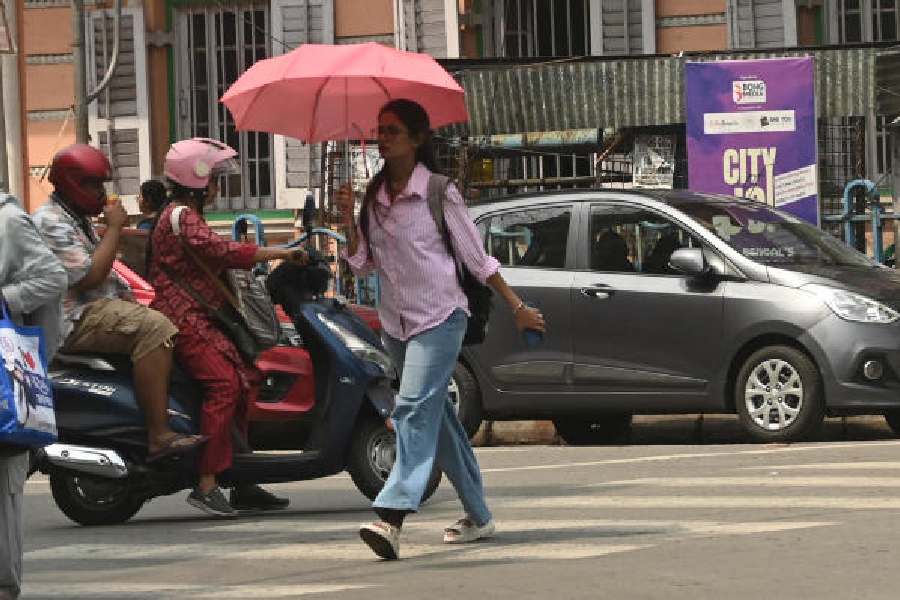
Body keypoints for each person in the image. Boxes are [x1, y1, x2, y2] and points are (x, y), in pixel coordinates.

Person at [337, 99, 545, 560]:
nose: (382, 137)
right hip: (396, 321)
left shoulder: (438, 192)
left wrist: (518, 307)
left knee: (412, 408)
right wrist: (348, 218)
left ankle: (391, 515)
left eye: (392, 130)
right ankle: (479, 513)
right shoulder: (375, 196)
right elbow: (365, 263)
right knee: (442, 421)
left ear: (416, 139)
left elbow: (477, 259)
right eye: (380, 129)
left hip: (441, 316)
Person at [147, 137, 308, 517]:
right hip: (185, 318)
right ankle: (206, 482)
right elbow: (223, 253)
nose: (220, 187)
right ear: (199, 180)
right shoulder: (181, 216)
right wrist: (283, 252)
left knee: (248, 377)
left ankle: (239, 475)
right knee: (224, 384)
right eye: (216, 178)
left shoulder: (186, 214)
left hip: (204, 315)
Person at [33, 144, 205, 462]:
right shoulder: (51, 222)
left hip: (98, 309)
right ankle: (159, 435)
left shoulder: (76, 218)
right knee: (156, 328)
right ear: (71, 183)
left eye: (101, 185)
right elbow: (89, 277)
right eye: (92, 185)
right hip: (75, 317)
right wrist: (114, 228)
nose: (100, 193)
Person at [0, 192, 68, 600]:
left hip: (4, 382)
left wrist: (6, 300)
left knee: (3, 499)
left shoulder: (7, 221)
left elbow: (52, 278)